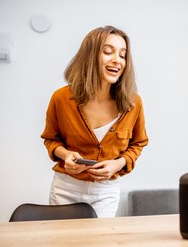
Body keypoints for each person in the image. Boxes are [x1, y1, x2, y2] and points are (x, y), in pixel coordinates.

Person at [41, 26, 148, 218]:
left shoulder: (133, 102)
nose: (117, 60)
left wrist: (118, 164)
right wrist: (65, 155)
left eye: (123, 55)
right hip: (66, 187)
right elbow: (51, 140)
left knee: (99, 246)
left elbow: (138, 144)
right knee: (63, 245)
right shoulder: (60, 98)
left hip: (105, 191)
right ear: (89, 56)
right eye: (108, 52)